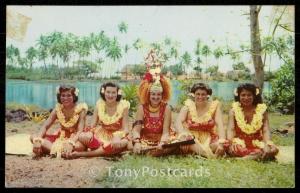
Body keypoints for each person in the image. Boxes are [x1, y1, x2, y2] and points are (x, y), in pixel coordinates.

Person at [67, 82, 131, 158]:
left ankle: (82, 154)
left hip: (117, 136)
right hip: (102, 134)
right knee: (83, 136)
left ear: (118, 93)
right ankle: (101, 149)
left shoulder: (124, 106)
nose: (110, 95)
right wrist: (89, 133)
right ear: (103, 92)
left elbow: (126, 129)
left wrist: (117, 137)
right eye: (108, 92)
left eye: (114, 92)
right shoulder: (99, 104)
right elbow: (93, 125)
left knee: (120, 143)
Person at [132, 49, 176, 157]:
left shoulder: (167, 108)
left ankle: (150, 152)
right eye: (153, 94)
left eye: (158, 95)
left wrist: (162, 143)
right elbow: (136, 130)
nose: (156, 97)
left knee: (173, 144)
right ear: (148, 94)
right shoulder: (142, 108)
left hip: (162, 139)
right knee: (130, 144)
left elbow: (166, 132)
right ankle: (147, 151)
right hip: (145, 139)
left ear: (162, 95)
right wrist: (137, 142)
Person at [30, 85, 88, 158]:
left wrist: (71, 143)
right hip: (61, 137)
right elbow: (45, 126)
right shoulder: (58, 108)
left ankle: (53, 150)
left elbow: (80, 131)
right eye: (63, 95)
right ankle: (60, 151)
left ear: (74, 96)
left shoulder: (81, 109)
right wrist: (38, 141)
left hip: (76, 139)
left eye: (69, 95)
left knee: (80, 147)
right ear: (59, 97)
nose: (65, 98)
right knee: (33, 137)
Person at [226, 83, 278, 160]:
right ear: (239, 96)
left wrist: (267, 143)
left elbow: (265, 130)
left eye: (249, 95)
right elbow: (231, 129)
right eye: (243, 95)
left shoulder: (262, 110)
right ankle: (256, 156)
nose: (246, 98)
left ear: (254, 96)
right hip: (240, 143)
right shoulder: (233, 111)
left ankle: (248, 157)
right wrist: (231, 143)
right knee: (233, 148)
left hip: (256, 142)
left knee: (273, 150)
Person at [175, 83, 227, 158]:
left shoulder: (214, 107)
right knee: (189, 141)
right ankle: (210, 156)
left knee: (219, 145)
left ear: (207, 95)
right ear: (194, 95)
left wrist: (221, 143)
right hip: (191, 139)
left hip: (208, 139)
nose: (200, 97)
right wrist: (182, 136)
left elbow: (220, 125)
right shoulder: (188, 106)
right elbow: (177, 122)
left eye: (203, 94)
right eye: (198, 94)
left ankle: (199, 153)